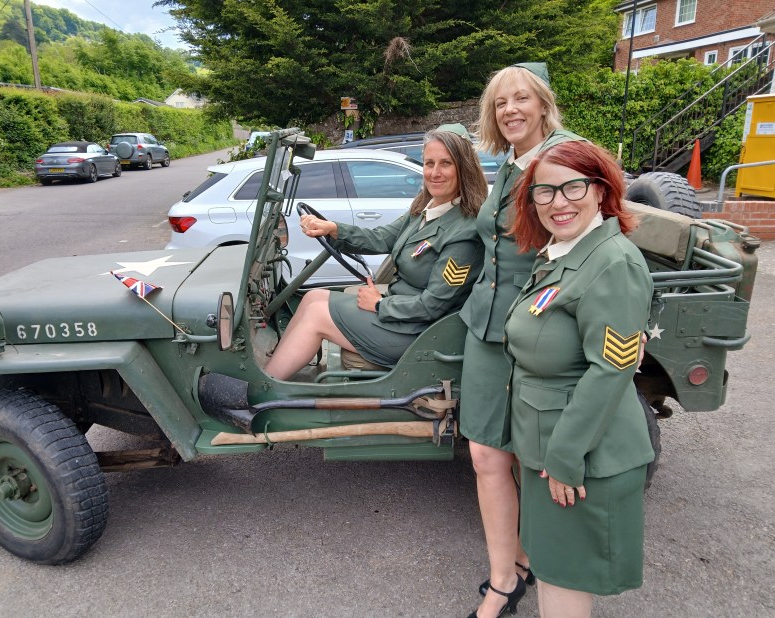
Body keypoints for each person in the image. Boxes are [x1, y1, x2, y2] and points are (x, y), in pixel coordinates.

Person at [505, 140, 656, 618]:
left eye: (573, 187)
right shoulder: (566, 252)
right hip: (549, 444)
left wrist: (565, 458)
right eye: (545, 192)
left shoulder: (613, 262)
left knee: (564, 578)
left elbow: (612, 369)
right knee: (552, 569)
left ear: (601, 190)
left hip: (580, 454)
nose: (559, 202)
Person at [457, 62, 585, 618]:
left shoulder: (565, 157)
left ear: (543, 103)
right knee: (488, 453)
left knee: (534, 456)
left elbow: (590, 246)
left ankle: (525, 565)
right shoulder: (510, 163)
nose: (510, 110)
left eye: (521, 99)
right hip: (488, 326)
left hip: (536, 327)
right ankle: (506, 576)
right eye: (500, 102)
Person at [264, 123, 486, 380]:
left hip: (418, 333)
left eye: (445, 164)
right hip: (401, 317)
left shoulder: (464, 233)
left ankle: (265, 387)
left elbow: (432, 306)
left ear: (463, 168)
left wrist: (380, 304)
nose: (434, 173)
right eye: (429, 163)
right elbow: (382, 238)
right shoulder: (427, 209)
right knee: (313, 297)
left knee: (316, 315)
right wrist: (333, 229)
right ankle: (274, 369)